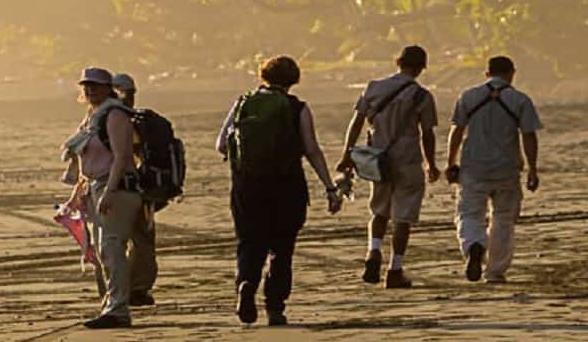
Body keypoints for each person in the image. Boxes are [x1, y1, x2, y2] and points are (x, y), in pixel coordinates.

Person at [218, 56, 344, 325]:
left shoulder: (243, 103)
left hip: (246, 186)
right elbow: (311, 149)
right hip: (287, 185)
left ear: (263, 75)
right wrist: (329, 186)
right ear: (294, 79)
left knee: (249, 242)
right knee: (282, 248)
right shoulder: (296, 107)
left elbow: (221, 144)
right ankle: (275, 307)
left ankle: (247, 284)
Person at [336, 45, 440, 289]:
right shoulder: (422, 96)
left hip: (378, 160)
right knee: (403, 217)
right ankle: (395, 269)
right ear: (420, 68)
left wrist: (347, 154)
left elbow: (356, 122)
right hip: (408, 160)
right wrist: (431, 163)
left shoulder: (374, 88)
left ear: (398, 62)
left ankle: (373, 251)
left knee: (379, 211)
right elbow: (427, 134)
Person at [61, 68, 155, 328]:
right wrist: (77, 194)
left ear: (108, 88)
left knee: (112, 248)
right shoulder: (93, 116)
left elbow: (122, 157)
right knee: (104, 251)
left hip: (117, 189)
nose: (90, 90)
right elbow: (86, 162)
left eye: (96, 85)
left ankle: (118, 310)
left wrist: (110, 191)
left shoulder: (114, 115)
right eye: (86, 86)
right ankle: (113, 304)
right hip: (96, 188)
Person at [446, 56, 543, 283]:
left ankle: (474, 246)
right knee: (503, 219)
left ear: (487, 74)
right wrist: (532, 169)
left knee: (469, 214)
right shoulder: (520, 100)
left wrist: (450, 162)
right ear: (512, 73)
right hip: (506, 170)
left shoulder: (468, 97)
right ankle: (495, 271)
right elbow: (529, 136)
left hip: (473, 168)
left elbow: (457, 131)